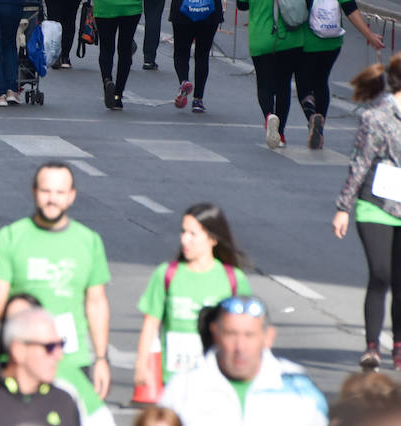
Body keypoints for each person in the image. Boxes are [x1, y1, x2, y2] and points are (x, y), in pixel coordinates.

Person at [0, 163, 112, 421]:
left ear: (71, 196)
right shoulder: (12, 237)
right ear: (34, 192)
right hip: (22, 360)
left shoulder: (88, 241)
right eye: (46, 191)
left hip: (73, 360)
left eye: (59, 192)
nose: (52, 199)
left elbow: (96, 303)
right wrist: (31, 334)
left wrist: (100, 358)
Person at [134, 204, 252, 392]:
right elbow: (151, 323)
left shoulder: (233, 279)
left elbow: (247, 329)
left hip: (217, 381)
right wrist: (142, 365)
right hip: (174, 381)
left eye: (193, 234)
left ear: (212, 238)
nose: (184, 240)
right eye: (183, 232)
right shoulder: (167, 274)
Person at [160, 297, 327, 426]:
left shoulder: (299, 387)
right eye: (231, 334)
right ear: (216, 334)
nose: (240, 347)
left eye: (249, 335)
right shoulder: (183, 388)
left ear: (268, 337)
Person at [334, 56, 401, 370]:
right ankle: (372, 346)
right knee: (381, 274)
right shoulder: (376, 117)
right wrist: (343, 208)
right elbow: (359, 163)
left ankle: (398, 345)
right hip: (376, 204)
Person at [298, 0, 385, 148]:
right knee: (321, 82)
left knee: (303, 85)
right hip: (332, 41)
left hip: (306, 40)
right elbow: (351, 10)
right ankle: (321, 125)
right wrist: (370, 35)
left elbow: (296, 8)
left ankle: (311, 117)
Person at [236, 0, 304, 147]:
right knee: (283, 85)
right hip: (290, 39)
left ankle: (268, 116)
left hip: (261, 39)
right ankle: (281, 132)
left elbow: (241, 4)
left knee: (264, 84)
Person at [164, 0, 229, 113]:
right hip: (209, 14)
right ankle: (198, 99)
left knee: (181, 52)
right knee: (202, 55)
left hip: (182, 13)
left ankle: (184, 81)